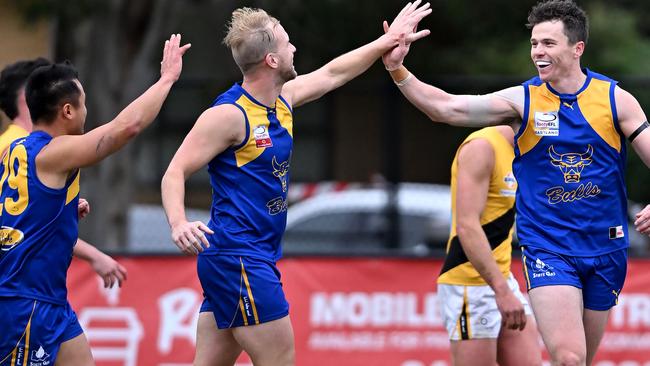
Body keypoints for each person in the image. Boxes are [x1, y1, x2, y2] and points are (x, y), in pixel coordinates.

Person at [160, 3, 431, 365]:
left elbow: (334, 72)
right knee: (280, 357)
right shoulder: (229, 115)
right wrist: (178, 222)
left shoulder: (282, 100)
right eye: (287, 44)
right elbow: (173, 172)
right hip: (239, 257)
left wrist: (388, 41)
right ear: (272, 60)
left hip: (244, 257)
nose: (294, 50)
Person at [382, 0, 650, 364]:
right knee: (569, 357)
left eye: (548, 44)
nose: (537, 52)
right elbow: (446, 108)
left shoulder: (616, 100)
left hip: (606, 247)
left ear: (577, 48)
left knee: (581, 360)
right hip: (549, 247)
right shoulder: (523, 100)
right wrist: (398, 69)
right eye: (534, 43)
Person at [0, 34, 190, 365]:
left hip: (49, 301)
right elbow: (126, 127)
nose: (88, 110)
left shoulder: (14, 150)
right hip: (26, 303)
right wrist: (167, 79)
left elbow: (18, 211)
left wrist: (61, 209)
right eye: (84, 103)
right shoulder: (52, 152)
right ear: (68, 110)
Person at [0, 58, 127, 289]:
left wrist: (53, 209)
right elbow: (11, 225)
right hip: (25, 290)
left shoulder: (30, 147)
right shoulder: (22, 147)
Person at [437, 125, 541, 366]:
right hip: (470, 282)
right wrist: (501, 291)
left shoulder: (526, 152)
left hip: (502, 279)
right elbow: (467, 226)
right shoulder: (482, 147)